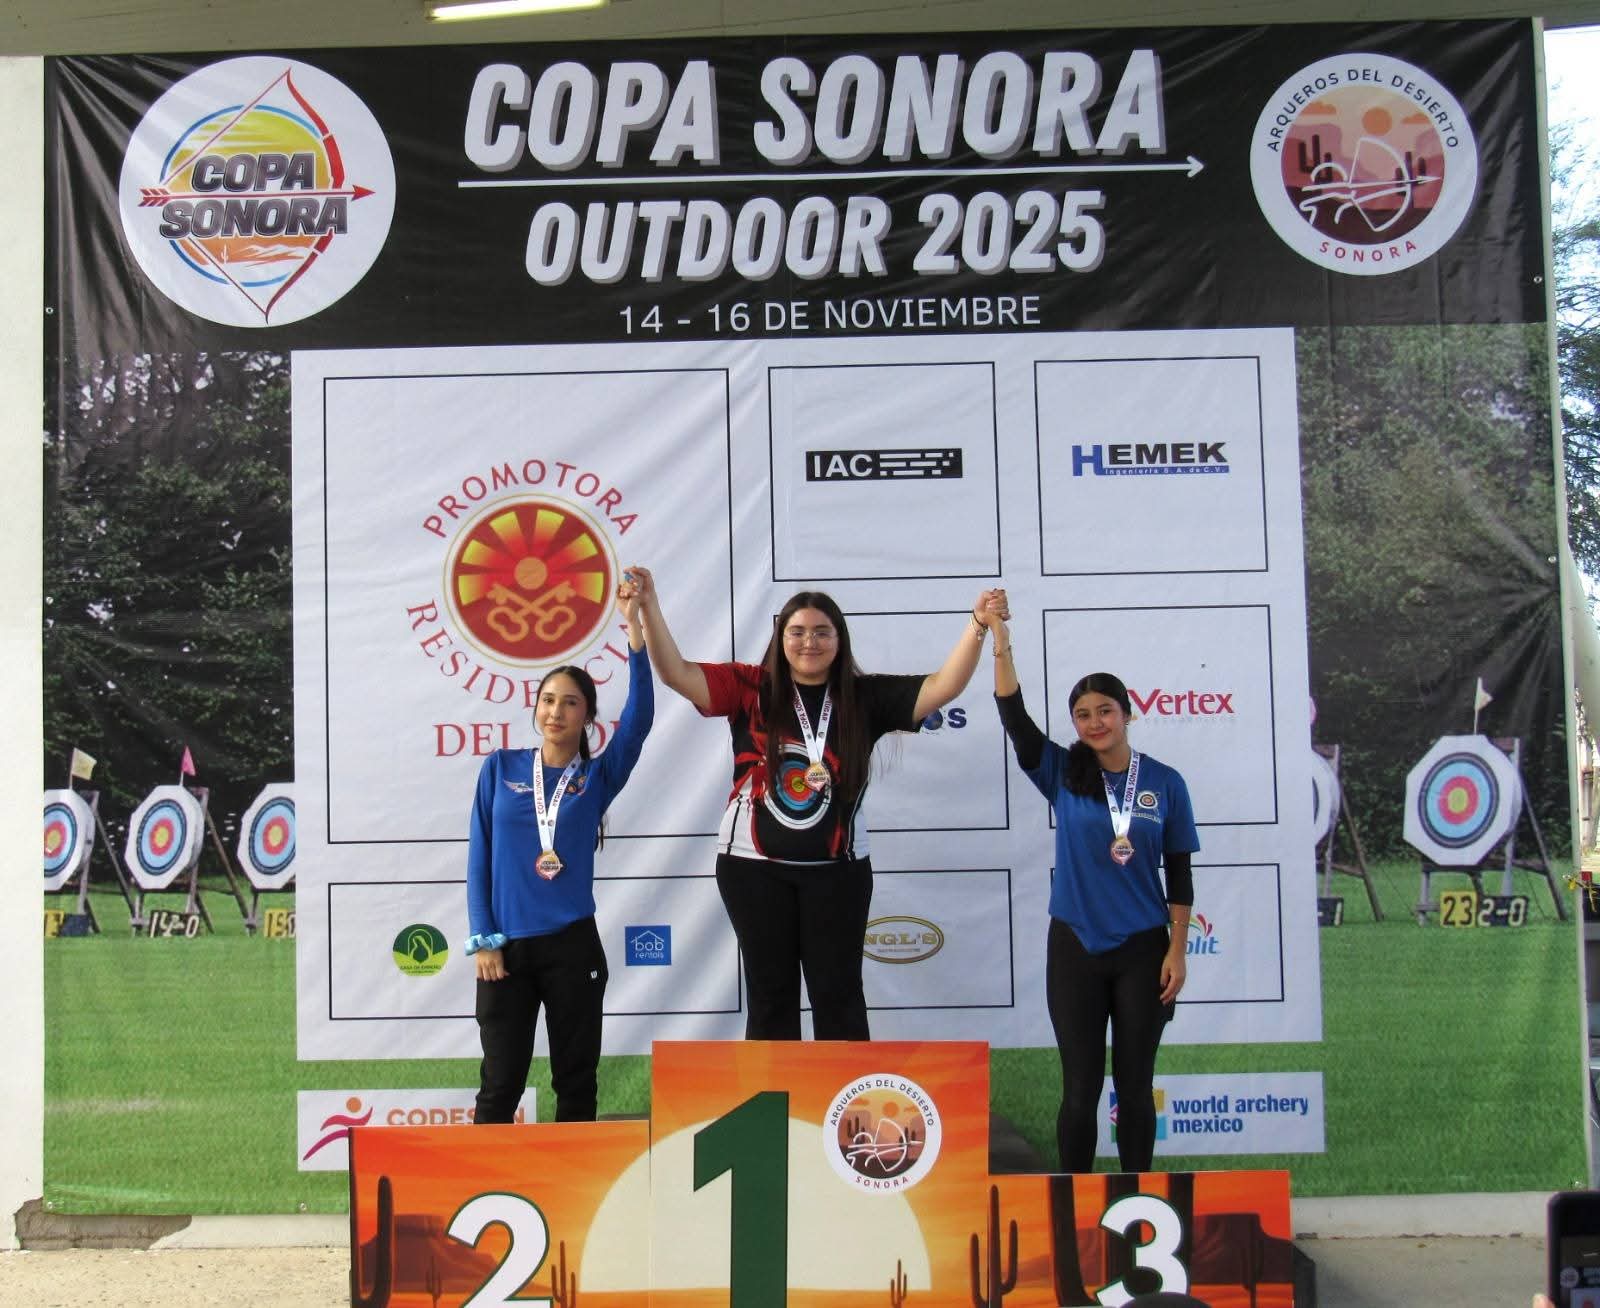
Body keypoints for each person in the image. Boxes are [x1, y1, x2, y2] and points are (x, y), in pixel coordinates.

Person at [629, 564, 1004, 1040]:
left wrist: (976, 624)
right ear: (780, 638)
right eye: (798, 631)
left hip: (838, 873)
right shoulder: (750, 687)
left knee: (839, 996)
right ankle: (775, 1091)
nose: (810, 642)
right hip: (752, 869)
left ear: (839, 640)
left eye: (822, 632)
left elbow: (942, 686)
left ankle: (847, 1093)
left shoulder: (864, 696)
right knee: (771, 998)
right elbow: (676, 673)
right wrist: (649, 607)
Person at [981, 594, 1197, 1173]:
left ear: (1128, 714)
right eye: (1082, 714)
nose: (1095, 722)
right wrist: (1000, 640)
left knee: (1135, 1087)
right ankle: (1071, 1204)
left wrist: (1177, 950)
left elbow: (1179, 872)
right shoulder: (1062, 772)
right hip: (1075, 946)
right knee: (1080, 1089)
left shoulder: (1165, 783)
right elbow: (1013, 716)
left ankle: (1135, 1201)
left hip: (1144, 949)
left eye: (1105, 710)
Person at [464, 574, 652, 1123]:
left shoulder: (596, 778)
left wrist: (634, 632)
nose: (555, 712)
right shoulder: (500, 768)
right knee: (499, 1086)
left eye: (570, 703)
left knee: (576, 1082)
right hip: (505, 950)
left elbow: (639, 719)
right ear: (536, 707)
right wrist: (484, 939)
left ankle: (577, 1181)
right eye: (548, 700)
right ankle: (487, 1179)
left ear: (587, 717)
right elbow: (479, 857)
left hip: (573, 946)